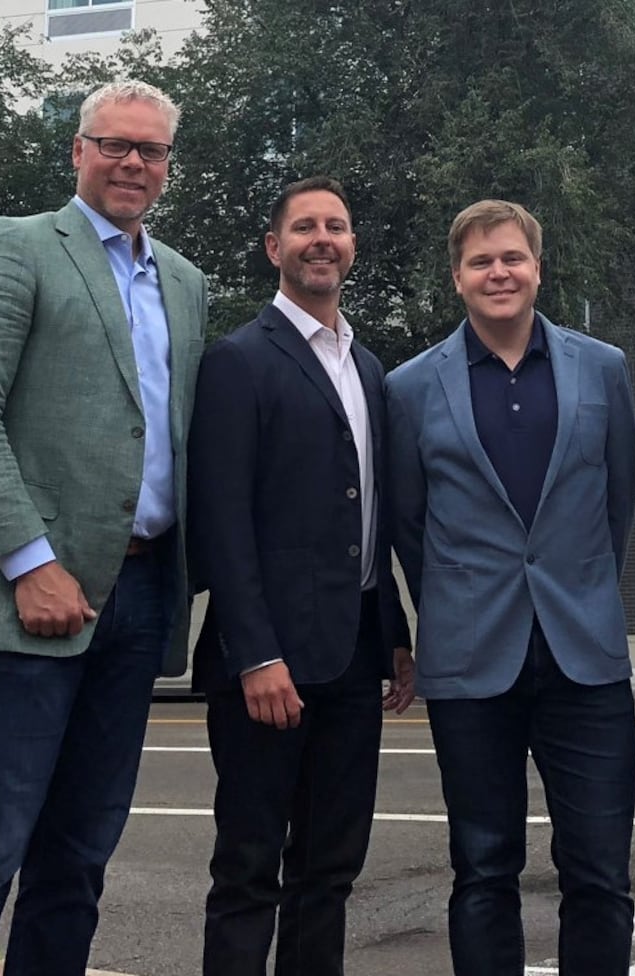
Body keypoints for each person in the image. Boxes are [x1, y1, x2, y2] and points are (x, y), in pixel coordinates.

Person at [0, 80, 207, 975]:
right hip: (28, 599)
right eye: (113, 144)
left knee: (78, 858)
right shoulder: (16, 248)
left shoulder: (186, 283)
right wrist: (29, 561)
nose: (131, 162)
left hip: (143, 594)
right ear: (77, 151)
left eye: (149, 151)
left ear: (166, 169)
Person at [385, 199, 635, 976]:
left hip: (584, 658)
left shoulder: (602, 368)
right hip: (471, 661)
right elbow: (408, 523)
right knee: (483, 869)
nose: (499, 272)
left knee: (599, 872)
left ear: (537, 266)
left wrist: (580, 587)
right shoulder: (409, 387)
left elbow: (618, 500)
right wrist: (452, 605)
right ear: (456, 277)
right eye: (481, 261)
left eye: (512, 258)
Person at [188, 175, 415, 975]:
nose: (324, 239)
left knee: (329, 870)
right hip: (267, 663)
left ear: (353, 246)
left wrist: (394, 636)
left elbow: (370, 517)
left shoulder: (372, 369)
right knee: (250, 868)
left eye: (339, 227)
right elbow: (222, 521)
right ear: (274, 247)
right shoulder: (238, 361)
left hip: (353, 659)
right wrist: (255, 654)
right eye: (306, 227)